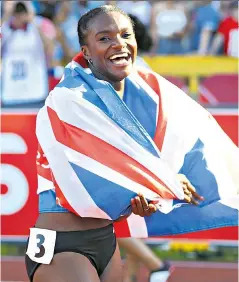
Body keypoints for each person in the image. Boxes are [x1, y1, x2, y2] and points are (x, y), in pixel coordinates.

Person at [25, 5, 203, 282]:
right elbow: (109, 165)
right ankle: (158, 267)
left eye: (124, 34)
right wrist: (164, 182)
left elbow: (115, 184)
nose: (118, 43)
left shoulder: (131, 100)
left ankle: (153, 268)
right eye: (104, 37)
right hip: (61, 244)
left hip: (105, 241)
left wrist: (141, 201)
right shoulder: (68, 99)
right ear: (85, 52)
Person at [1, 1, 53, 107]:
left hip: (35, 94)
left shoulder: (38, 26)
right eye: (16, 12)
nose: (19, 15)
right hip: (11, 95)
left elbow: (50, 48)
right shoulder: (5, 30)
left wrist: (31, 18)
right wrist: (6, 19)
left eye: (22, 11)